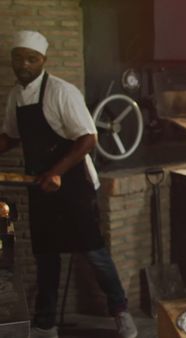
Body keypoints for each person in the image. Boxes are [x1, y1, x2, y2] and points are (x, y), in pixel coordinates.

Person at [0, 31, 138, 338]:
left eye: (32, 58)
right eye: (18, 57)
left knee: (94, 253)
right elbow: (11, 136)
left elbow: (88, 138)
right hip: (40, 187)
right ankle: (47, 324)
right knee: (46, 256)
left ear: (43, 61)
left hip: (75, 185)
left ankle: (120, 313)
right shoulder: (15, 96)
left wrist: (57, 171)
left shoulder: (62, 92)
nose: (24, 64)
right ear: (12, 60)